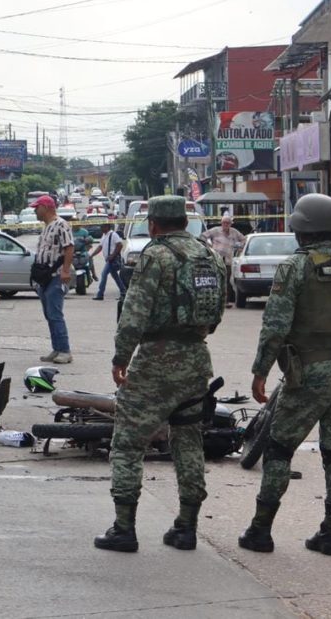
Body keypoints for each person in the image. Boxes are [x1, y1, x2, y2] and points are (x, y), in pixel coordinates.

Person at [94, 196, 225, 553]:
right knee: (188, 442)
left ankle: (124, 528)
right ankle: (187, 527)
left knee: (128, 442)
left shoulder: (155, 255)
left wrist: (121, 357)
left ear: (153, 224)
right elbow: (218, 310)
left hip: (155, 361)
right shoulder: (209, 255)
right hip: (196, 361)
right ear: (185, 221)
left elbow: (134, 313)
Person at [238, 193, 331, 556]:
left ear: (302, 229)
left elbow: (275, 326)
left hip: (310, 370)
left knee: (279, 448)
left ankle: (260, 530)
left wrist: (260, 371)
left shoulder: (295, 267)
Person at [31, 195, 74, 365]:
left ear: (46, 207)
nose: (35, 210)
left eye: (37, 207)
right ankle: (57, 348)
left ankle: (65, 351)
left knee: (55, 315)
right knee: (49, 315)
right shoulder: (47, 227)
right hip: (45, 278)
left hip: (56, 276)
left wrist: (65, 270)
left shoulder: (61, 224)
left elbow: (69, 247)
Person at [201, 215, 246, 306]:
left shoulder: (234, 232)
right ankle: (215, 300)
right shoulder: (215, 230)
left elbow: (244, 239)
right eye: (224, 223)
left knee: (226, 280)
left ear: (230, 224)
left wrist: (240, 247)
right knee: (216, 279)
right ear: (221, 223)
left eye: (228, 223)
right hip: (216, 259)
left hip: (228, 260)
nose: (226, 224)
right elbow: (203, 236)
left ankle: (225, 301)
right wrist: (208, 247)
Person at [90, 223, 126, 301]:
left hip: (112, 260)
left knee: (104, 274)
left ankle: (100, 294)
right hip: (109, 259)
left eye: (102, 227)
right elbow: (100, 247)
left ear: (107, 227)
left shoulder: (113, 235)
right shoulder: (104, 235)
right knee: (116, 276)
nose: (101, 228)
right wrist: (92, 255)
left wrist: (113, 255)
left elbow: (120, 245)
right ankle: (123, 292)